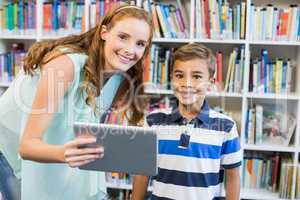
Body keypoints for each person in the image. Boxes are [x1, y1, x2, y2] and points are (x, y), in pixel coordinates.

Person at [0, 4, 153, 200]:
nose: (130, 50)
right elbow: (27, 146)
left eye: (140, 44)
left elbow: (92, 125)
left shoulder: (121, 78)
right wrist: (66, 153)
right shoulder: (65, 65)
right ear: (104, 32)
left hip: (56, 145)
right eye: (123, 37)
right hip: (10, 145)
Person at [132, 43, 242, 200]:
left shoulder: (226, 127)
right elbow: (142, 173)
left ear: (211, 81)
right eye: (179, 75)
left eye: (196, 76)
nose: (186, 84)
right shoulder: (152, 121)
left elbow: (233, 177)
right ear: (171, 78)